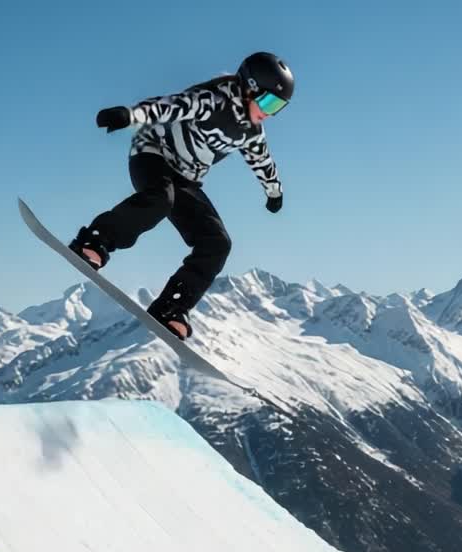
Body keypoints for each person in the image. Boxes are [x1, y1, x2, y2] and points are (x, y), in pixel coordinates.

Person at [67, 51, 294, 341]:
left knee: (218, 242)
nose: (269, 113)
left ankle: (171, 306)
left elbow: (262, 161)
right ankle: (95, 240)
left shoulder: (252, 133)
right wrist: (128, 115)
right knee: (160, 200)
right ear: (250, 87)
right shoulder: (211, 101)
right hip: (153, 156)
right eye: (269, 102)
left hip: (187, 179)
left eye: (278, 108)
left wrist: (274, 192)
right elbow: (167, 107)